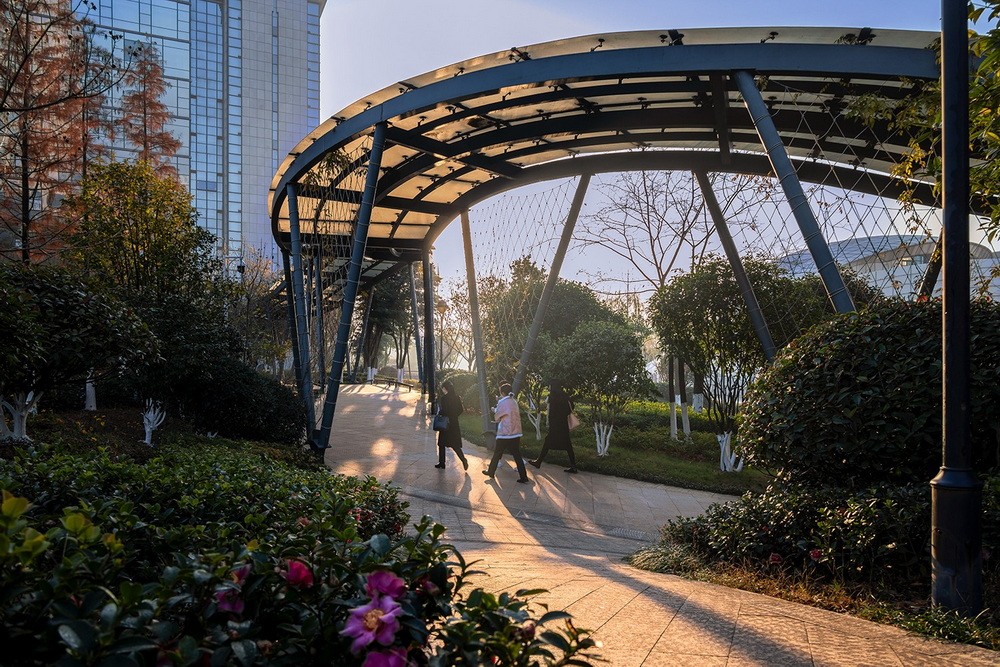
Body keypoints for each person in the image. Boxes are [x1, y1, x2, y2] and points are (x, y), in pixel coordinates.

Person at [483, 382, 529, 483]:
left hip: (505, 433)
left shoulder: (502, 402)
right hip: (515, 432)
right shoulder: (514, 401)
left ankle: (490, 472)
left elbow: (497, 416)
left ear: (502, 392)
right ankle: (524, 476)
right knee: (517, 455)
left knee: (497, 453)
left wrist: (494, 410)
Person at [529, 382, 578, 473]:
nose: (549, 387)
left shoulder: (552, 397)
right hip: (563, 424)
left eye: (550, 386)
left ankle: (538, 462)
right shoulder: (565, 396)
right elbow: (571, 407)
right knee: (567, 445)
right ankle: (573, 466)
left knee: (548, 441)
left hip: (555, 425)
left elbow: (550, 412)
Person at [435, 379, 468, 471]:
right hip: (454, 423)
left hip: (445, 423)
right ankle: (463, 460)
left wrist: (441, 413)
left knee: (441, 443)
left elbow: (443, 410)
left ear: (445, 388)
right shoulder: (457, 397)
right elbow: (461, 409)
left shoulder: (444, 398)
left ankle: (442, 463)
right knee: (455, 444)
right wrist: (454, 416)